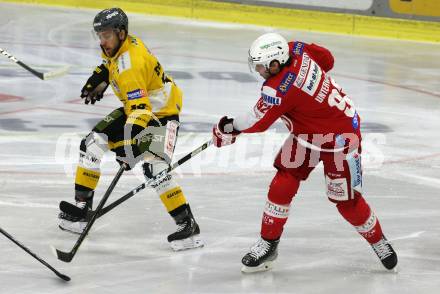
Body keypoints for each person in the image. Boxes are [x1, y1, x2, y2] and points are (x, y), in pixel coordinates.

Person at [212, 32, 397, 272]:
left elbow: (256, 122)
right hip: (308, 134)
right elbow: (328, 60)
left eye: (260, 67)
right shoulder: (296, 48)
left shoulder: (278, 89)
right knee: (283, 182)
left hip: (340, 139)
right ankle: (269, 243)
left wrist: (227, 127)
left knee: (346, 201)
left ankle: (379, 241)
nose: (258, 71)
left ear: (275, 64)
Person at [58, 8, 203, 251]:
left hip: (161, 115)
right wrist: (100, 77)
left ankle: (187, 225)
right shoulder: (122, 45)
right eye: (99, 36)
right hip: (138, 108)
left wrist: (129, 143)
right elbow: (110, 63)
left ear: (121, 33)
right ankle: (82, 209)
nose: (102, 41)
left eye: (106, 35)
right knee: (91, 143)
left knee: (153, 168)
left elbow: (142, 111)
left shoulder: (130, 66)